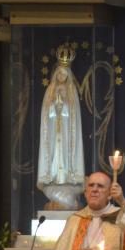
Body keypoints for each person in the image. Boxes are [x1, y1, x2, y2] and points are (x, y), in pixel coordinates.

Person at [37, 43, 85, 209]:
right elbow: (46, 114)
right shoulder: (50, 91)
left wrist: (63, 107)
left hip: (66, 131)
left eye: (65, 74)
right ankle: (55, 178)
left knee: (65, 154)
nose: (62, 76)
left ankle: (66, 179)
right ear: (56, 74)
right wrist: (54, 107)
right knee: (55, 154)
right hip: (53, 131)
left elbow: (74, 116)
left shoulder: (71, 91)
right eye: (60, 73)